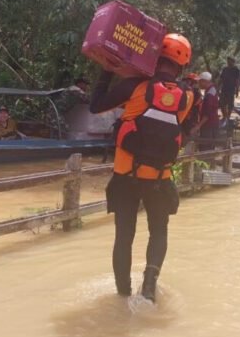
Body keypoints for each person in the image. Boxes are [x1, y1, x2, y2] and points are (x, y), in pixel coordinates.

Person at [89, 33, 193, 303]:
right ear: (182, 66)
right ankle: (148, 285)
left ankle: (123, 294)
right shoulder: (188, 97)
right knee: (158, 231)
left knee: (124, 236)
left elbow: (96, 106)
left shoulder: (134, 86)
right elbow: (184, 130)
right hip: (160, 179)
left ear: (155, 57)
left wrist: (107, 71)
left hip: (126, 177)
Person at [191, 71, 219, 149]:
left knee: (205, 147)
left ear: (205, 81)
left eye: (199, 81)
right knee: (209, 147)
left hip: (208, 125)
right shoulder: (212, 90)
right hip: (212, 123)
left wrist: (198, 126)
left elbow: (207, 114)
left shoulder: (209, 94)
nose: (198, 83)